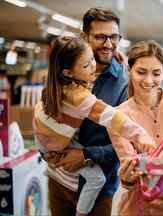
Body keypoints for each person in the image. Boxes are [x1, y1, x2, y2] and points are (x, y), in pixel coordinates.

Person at [34, 36, 153, 216]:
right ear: (68, 72)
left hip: (44, 144)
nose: (93, 66)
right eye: (86, 64)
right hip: (55, 152)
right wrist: (141, 136)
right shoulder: (80, 98)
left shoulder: (55, 84)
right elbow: (114, 118)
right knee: (97, 178)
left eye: (92, 59)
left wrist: (116, 59)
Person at [43, 8, 131, 216]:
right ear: (84, 36)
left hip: (98, 189)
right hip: (59, 180)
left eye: (114, 37)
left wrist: (85, 155)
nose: (109, 44)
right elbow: (48, 107)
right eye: (100, 37)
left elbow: (128, 143)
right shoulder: (65, 67)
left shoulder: (124, 84)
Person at [109, 40, 163, 215]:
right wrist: (127, 178)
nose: (149, 80)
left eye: (156, 73)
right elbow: (130, 174)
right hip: (141, 209)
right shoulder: (118, 117)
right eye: (141, 72)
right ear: (129, 71)